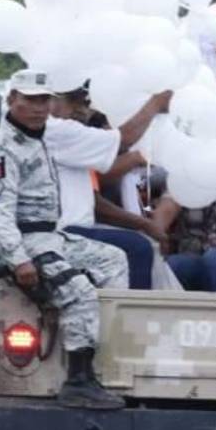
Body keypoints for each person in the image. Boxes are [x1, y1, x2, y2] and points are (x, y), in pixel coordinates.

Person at [0, 69, 168, 409]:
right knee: (77, 290)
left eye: (42, 100)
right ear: (11, 100)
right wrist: (18, 259)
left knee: (113, 259)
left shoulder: (41, 136)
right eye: (28, 100)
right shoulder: (3, 148)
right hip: (25, 241)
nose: (37, 108)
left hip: (51, 235)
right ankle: (77, 381)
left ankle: (109, 363)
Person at [50, 86, 170, 289]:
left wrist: (143, 224)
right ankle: (134, 318)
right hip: (64, 232)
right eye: (73, 100)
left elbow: (93, 202)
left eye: (84, 101)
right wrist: (157, 102)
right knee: (137, 247)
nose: (82, 109)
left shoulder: (64, 137)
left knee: (139, 243)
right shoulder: (57, 130)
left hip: (74, 230)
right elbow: (125, 138)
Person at [154, 198, 216, 292]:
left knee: (215, 258)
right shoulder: (187, 180)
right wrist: (155, 235)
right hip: (195, 256)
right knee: (174, 264)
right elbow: (168, 205)